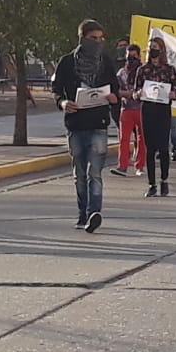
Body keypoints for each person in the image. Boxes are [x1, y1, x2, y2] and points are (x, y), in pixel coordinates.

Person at [52, 19, 119, 232]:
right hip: (75, 124)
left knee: (95, 172)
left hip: (98, 123)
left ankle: (94, 212)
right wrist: (62, 102)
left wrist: (112, 98)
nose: (99, 42)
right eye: (94, 38)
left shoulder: (106, 62)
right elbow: (56, 88)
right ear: (82, 38)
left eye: (101, 38)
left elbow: (115, 89)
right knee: (79, 172)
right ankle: (82, 213)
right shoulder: (66, 62)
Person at [135, 36, 176, 197]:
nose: (152, 50)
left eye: (155, 47)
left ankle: (164, 180)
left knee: (163, 147)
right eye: (150, 47)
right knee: (150, 149)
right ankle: (151, 183)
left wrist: (173, 94)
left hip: (163, 110)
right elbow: (135, 91)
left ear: (161, 50)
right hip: (147, 110)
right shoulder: (143, 70)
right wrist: (138, 93)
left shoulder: (169, 70)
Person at [111, 44, 146, 177]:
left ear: (139, 56)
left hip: (141, 109)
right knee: (123, 139)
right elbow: (117, 91)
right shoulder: (121, 73)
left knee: (141, 139)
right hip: (126, 109)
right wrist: (130, 94)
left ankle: (140, 166)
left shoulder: (144, 71)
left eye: (133, 56)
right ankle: (122, 166)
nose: (130, 59)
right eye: (128, 56)